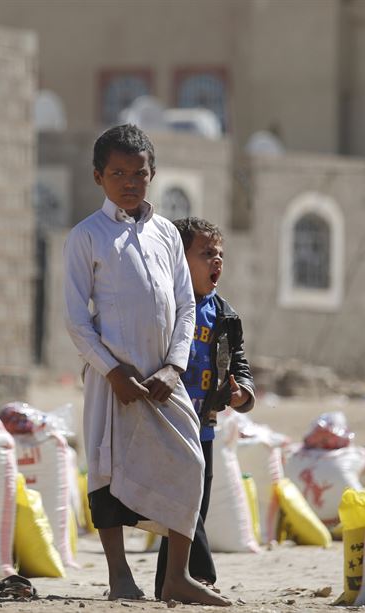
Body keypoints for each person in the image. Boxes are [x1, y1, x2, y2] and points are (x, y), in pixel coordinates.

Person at [63, 124, 229, 605]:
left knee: (190, 463)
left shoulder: (166, 236)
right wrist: (112, 370)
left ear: (152, 175)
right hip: (111, 379)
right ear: (99, 177)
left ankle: (176, 577)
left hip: (163, 380)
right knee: (108, 471)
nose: (130, 182)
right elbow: (76, 320)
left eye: (139, 173)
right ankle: (119, 577)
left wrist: (174, 367)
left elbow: (185, 306)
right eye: (118, 173)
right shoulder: (86, 237)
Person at [153, 217, 256, 599]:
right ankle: (201, 575)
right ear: (180, 259)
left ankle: (171, 582)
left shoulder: (224, 314)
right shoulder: (166, 305)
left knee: (196, 504)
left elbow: (240, 363)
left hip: (205, 425)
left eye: (220, 254)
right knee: (184, 504)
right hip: (170, 422)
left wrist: (242, 393)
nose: (217, 261)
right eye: (206, 253)